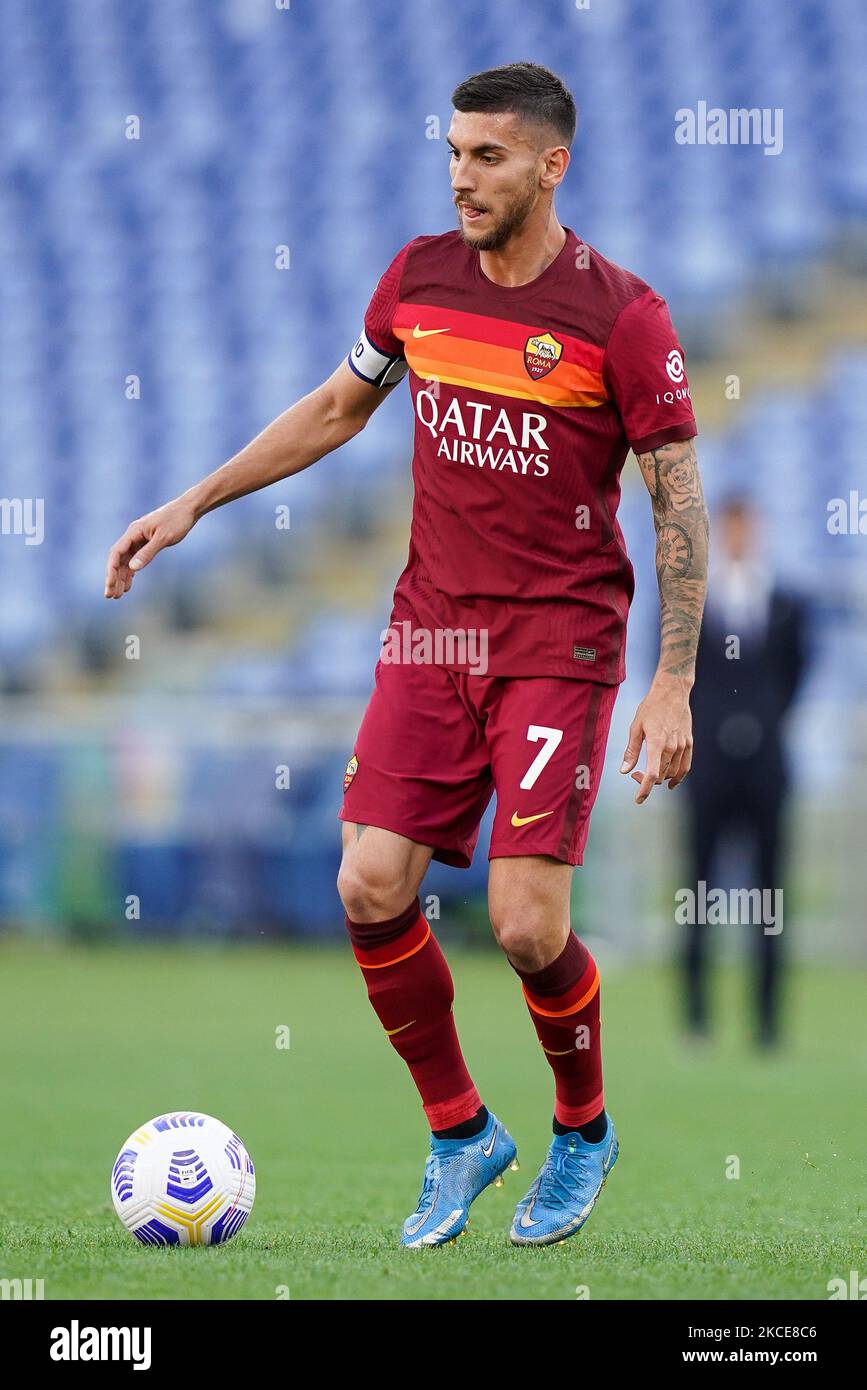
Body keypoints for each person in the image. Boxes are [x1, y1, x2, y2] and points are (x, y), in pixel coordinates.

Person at [105, 62, 708, 1248]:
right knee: (368, 885)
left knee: (529, 923)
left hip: (558, 640)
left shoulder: (620, 315)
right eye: (452, 151)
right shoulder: (418, 280)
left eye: (487, 157)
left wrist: (675, 678)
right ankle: (461, 1132)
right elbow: (338, 407)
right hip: (431, 631)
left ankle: (582, 1128)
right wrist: (195, 502)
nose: (461, 177)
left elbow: (676, 500)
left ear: (551, 164)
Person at [683, 495, 807, 1048]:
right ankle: (696, 1020)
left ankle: (767, 1022)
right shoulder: (691, 604)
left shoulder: (784, 602)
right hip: (705, 767)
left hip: (766, 768)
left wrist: (763, 724)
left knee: (771, 896)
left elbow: (796, 674)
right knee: (697, 888)